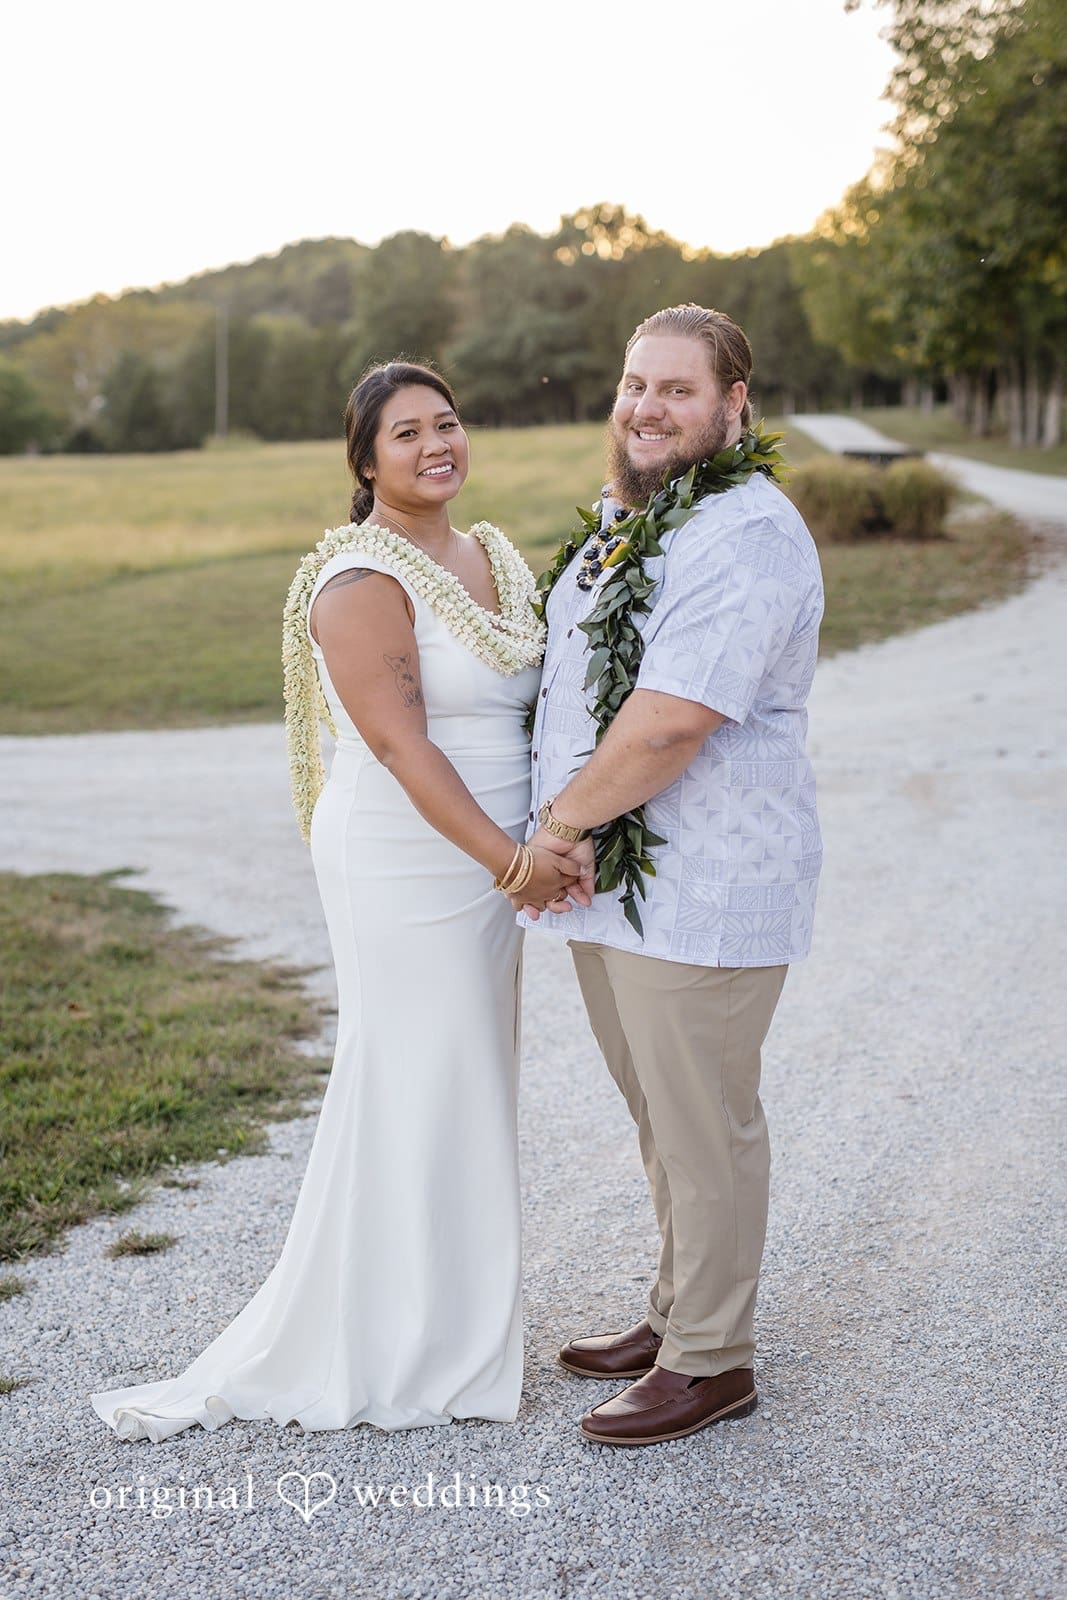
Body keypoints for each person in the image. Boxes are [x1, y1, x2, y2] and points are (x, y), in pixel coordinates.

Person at [90, 360, 589, 1441]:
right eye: (405, 433)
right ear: (364, 462)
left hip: (488, 857)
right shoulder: (358, 581)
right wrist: (511, 864)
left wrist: (554, 832)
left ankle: (454, 1320)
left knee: (466, 1073)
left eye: (446, 422)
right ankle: (392, 1340)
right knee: (413, 1070)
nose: (435, 445)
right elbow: (403, 749)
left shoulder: (488, 554)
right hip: (410, 855)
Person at [517, 305, 824, 1446]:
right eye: (634, 384)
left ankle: (711, 1359)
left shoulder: (742, 532)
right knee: (660, 1114)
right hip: (619, 878)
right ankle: (674, 1311)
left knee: (704, 1123)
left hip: (705, 879)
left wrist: (553, 829)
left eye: (677, 389)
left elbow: (668, 721)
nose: (645, 408)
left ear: (733, 402)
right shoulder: (638, 515)